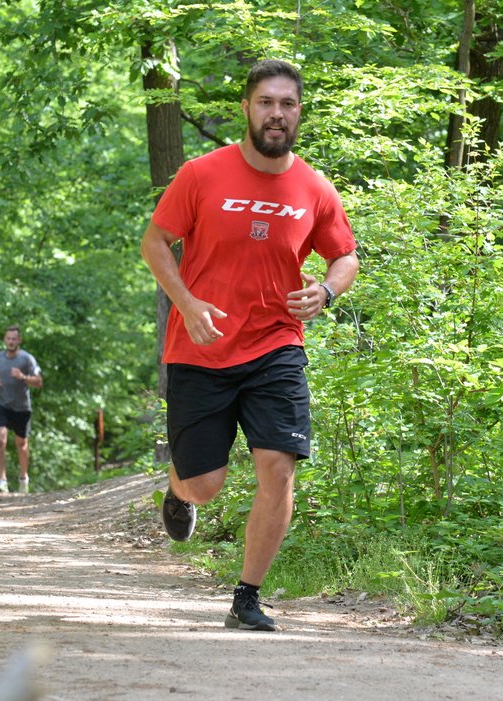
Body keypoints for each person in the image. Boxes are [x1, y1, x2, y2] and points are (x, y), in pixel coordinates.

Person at [140, 59, 359, 631]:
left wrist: (327, 293)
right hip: (201, 347)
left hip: (276, 346)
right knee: (206, 486)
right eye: (266, 102)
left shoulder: (314, 187)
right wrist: (187, 304)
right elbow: (156, 242)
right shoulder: (201, 175)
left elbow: (345, 255)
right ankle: (179, 489)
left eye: (287, 103)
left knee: (279, 467)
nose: (277, 114)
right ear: (246, 107)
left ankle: (247, 595)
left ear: (299, 111)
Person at [0, 325, 43, 494]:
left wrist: (23, 377)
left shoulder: (27, 359)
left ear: (19, 340)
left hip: (21, 407)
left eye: (14, 339)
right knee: (0, 439)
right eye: (8, 338)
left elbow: (39, 381)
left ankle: (23, 477)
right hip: (2, 404)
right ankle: (2, 481)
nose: (11, 342)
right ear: (5, 340)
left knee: (21, 444)